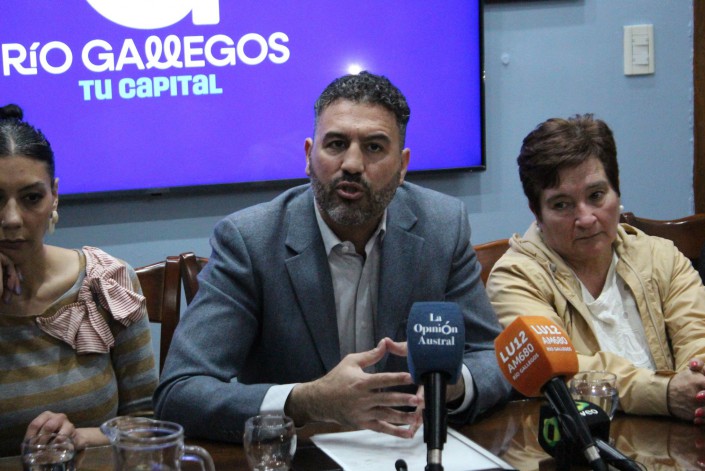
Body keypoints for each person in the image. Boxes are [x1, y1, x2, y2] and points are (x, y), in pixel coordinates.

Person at [154, 71, 511, 441]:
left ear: (403, 165)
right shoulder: (250, 241)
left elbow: (493, 357)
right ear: (309, 156)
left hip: (410, 448)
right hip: (301, 456)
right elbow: (180, 392)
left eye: (374, 147)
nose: (353, 164)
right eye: (336, 144)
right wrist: (306, 401)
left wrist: (449, 384)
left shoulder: (442, 226)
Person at [487, 114, 705, 423]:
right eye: (561, 205)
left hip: (679, 435)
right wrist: (665, 394)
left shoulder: (660, 256)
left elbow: (702, 335)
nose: (586, 218)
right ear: (536, 213)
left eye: (596, 196)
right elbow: (557, 373)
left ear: (617, 193)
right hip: (584, 443)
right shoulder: (515, 278)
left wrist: (703, 386)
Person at [0, 104, 158, 456]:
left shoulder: (106, 282)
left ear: (54, 194)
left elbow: (147, 422)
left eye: (31, 198)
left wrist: (81, 438)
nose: (11, 219)